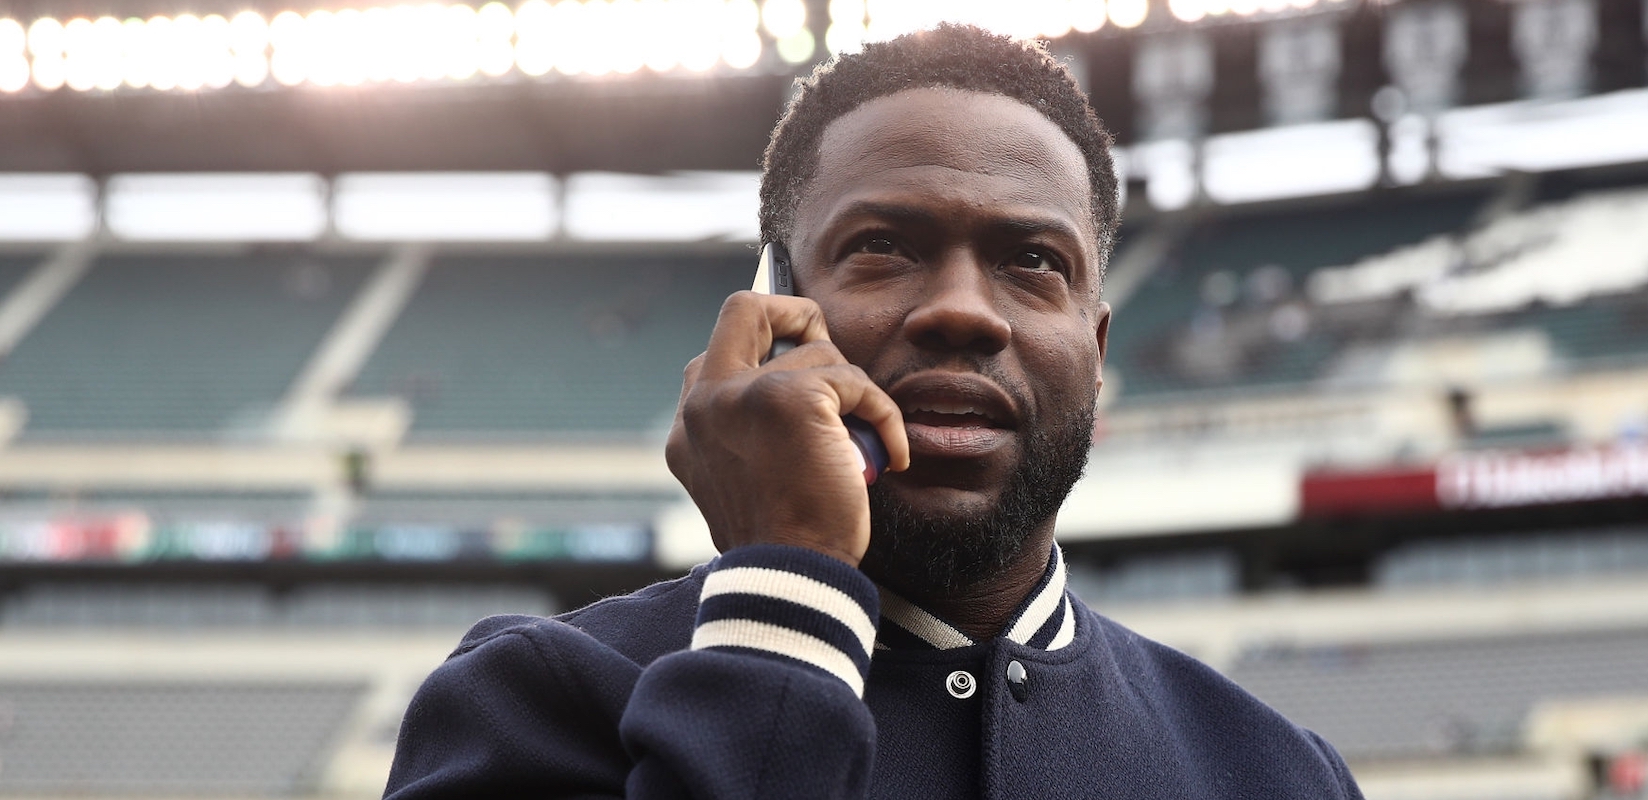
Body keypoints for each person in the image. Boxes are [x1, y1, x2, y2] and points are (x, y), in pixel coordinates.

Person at [383, 24, 1362, 800]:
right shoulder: (529, 701)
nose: (963, 312)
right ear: (771, 314)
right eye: (885, 245)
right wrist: (783, 597)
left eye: (1033, 261)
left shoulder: (1280, 771)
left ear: (1096, 353)